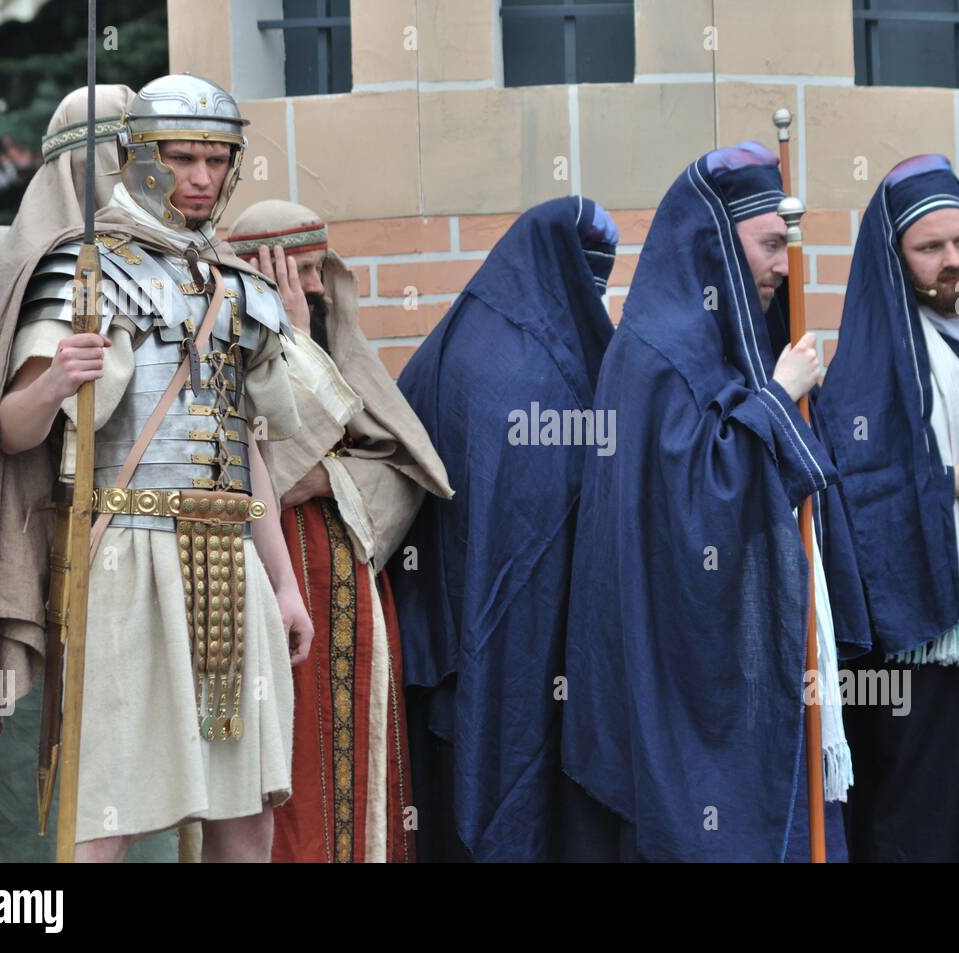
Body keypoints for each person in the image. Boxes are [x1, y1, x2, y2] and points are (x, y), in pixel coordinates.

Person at [0, 73, 312, 863]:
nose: (202, 177)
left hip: (229, 560)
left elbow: (250, 448)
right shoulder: (82, 268)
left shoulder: (237, 286)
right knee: (109, 797)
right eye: (183, 158)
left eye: (216, 158)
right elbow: (6, 434)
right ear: (142, 158)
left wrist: (283, 581)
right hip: (126, 551)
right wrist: (53, 381)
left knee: (245, 806)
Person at [562, 142, 856, 862]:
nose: (784, 266)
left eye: (785, 245)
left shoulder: (731, 337)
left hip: (752, 642)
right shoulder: (660, 350)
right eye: (767, 246)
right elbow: (694, 504)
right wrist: (779, 399)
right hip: (695, 663)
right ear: (713, 243)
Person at [815, 154, 959, 862]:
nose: (952, 260)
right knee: (924, 815)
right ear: (896, 256)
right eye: (930, 247)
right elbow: (851, 497)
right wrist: (945, 485)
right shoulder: (866, 366)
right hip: (924, 635)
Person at [389, 195, 619, 861]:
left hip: (443, 662)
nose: (594, 301)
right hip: (521, 666)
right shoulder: (534, 371)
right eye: (592, 281)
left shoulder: (452, 339)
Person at [226, 200, 451, 862]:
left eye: (321, 268)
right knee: (288, 760)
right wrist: (290, 341)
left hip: (351, 584)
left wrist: (332, 478)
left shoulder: (340, 345)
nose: (317, 288)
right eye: (296, 272)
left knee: (358, 759)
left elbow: (401, 463)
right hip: (270, 584)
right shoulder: (230, 352)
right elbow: (264, 458)